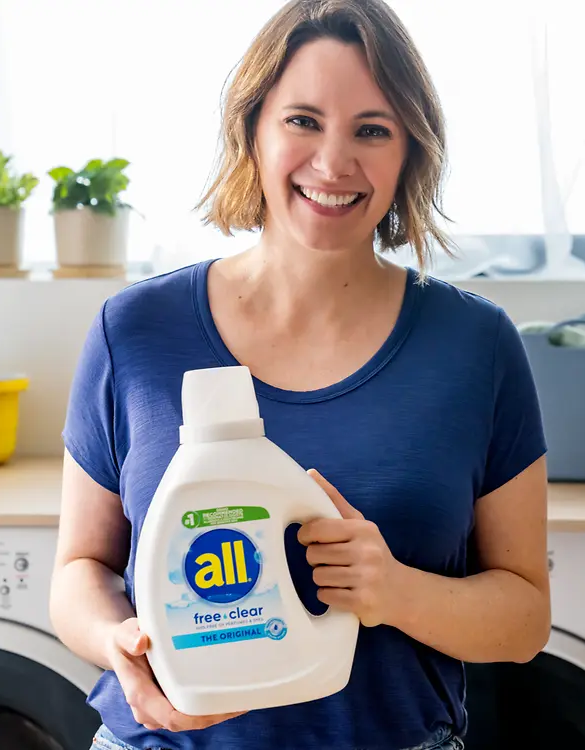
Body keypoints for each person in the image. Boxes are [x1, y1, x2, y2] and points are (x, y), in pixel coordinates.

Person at [49, 1, 551, 748]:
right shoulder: (135, 332)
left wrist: (394, 590)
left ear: (410, 150)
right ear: (250, 129)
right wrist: (117, 640)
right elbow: (79, 570)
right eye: (302, 121)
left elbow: (523, 620)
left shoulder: (474, 346)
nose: (333, 163)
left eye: (371, 130)